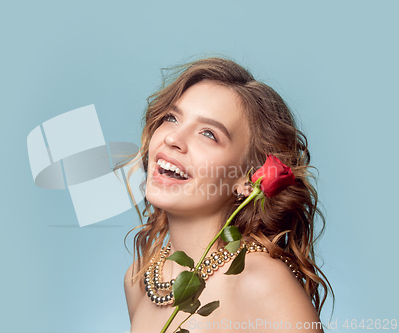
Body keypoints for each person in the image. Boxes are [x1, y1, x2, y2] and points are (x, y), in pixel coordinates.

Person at [119, 56, 333, 332]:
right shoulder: (139, 281)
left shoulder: (262, 282)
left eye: (208, 133)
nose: (172, 138)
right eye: (172, 118)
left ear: (248, 179)